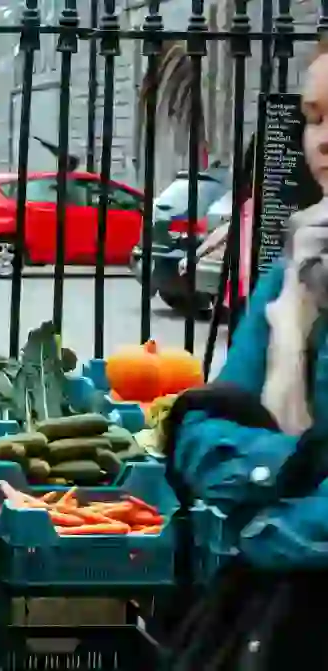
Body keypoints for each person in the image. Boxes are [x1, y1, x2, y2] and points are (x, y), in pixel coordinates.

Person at [163, 42, 328, 669]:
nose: (321, 141)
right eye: (313, 117)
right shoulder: (294, 268)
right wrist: (289, 333)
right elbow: (201, 431)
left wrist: (262, 523)